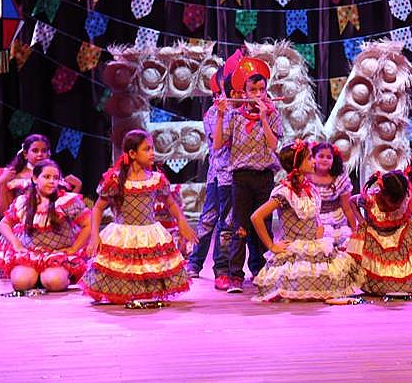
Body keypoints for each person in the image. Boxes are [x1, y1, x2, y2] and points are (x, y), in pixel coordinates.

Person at [80, 130, 196, 304]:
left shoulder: (156, 179)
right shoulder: (116, 180)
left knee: (148, 269)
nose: (152, 153)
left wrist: (182, 223)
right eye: (147, 149)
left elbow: (171, 204)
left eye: (152, 148)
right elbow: (97, 208)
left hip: (148, 233)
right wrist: (94, 236)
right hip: (123, 235)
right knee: (122, 271)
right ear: (133, 154)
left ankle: (143, 294)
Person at [250, 141, 363, 302]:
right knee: (300, 281)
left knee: (337, 275)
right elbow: (256, 217)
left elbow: (314, 215)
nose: (314, 161)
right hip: (295, 248)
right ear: (297, 163)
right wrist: (272, 246)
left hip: (314, 245)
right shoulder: (285, 192)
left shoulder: (309, 189)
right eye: (309, 158)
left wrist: (319, 227)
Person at [211, 57, 284, 293]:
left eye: (262, 89)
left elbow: (273, 145)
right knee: (239, 227)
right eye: (253, 90)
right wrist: (220, 115)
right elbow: (218, 145)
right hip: (241, 178)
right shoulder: (234, 116)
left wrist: (263, 117)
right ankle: (235, 275)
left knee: (263, 227)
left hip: (264, 177)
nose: (258, 94)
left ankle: (261, 271)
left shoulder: (273, 114)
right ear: (243, 92)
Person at [0, 159, 90, 292]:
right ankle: (37, 276)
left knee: (54, 283)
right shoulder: (24, 202)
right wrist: (16, 243)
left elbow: (88, 224)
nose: (52, 181)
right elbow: (4, 224)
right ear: (35, 179)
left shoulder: (66, 201)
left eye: (56, 178)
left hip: (58, 255)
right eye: (47, 177)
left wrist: (74, 248)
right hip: (31, 254)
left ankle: (53, 276)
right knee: (20, 283)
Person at [348, 171, 412, 296]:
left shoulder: (405, 198)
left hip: (399, 235)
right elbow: (351, 201)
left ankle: (404, 286)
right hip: (376, 240)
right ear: (383, 193)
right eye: (393, 201)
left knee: (406, 272)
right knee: (380, 275)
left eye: (399, 201)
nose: (397, 205)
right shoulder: (370, 199)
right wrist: (361, 221)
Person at [187, 71, 239, 288]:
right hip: (219, 175)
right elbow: (220, 143)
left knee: (228, 222)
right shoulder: (213, 113)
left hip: (238, 176)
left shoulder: (244, 111)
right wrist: (226, 111)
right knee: (210, 219)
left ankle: (223, 267)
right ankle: (200, 263)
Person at [308, 141, 359, 248]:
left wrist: (355, 230)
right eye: (321, 156)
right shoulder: (306, 177)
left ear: (333, 160)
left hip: (337, 221)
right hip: (313, 220)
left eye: (329, 157)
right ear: (313, 158)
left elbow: (347, 208)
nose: (325, 160)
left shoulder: (339, 179)